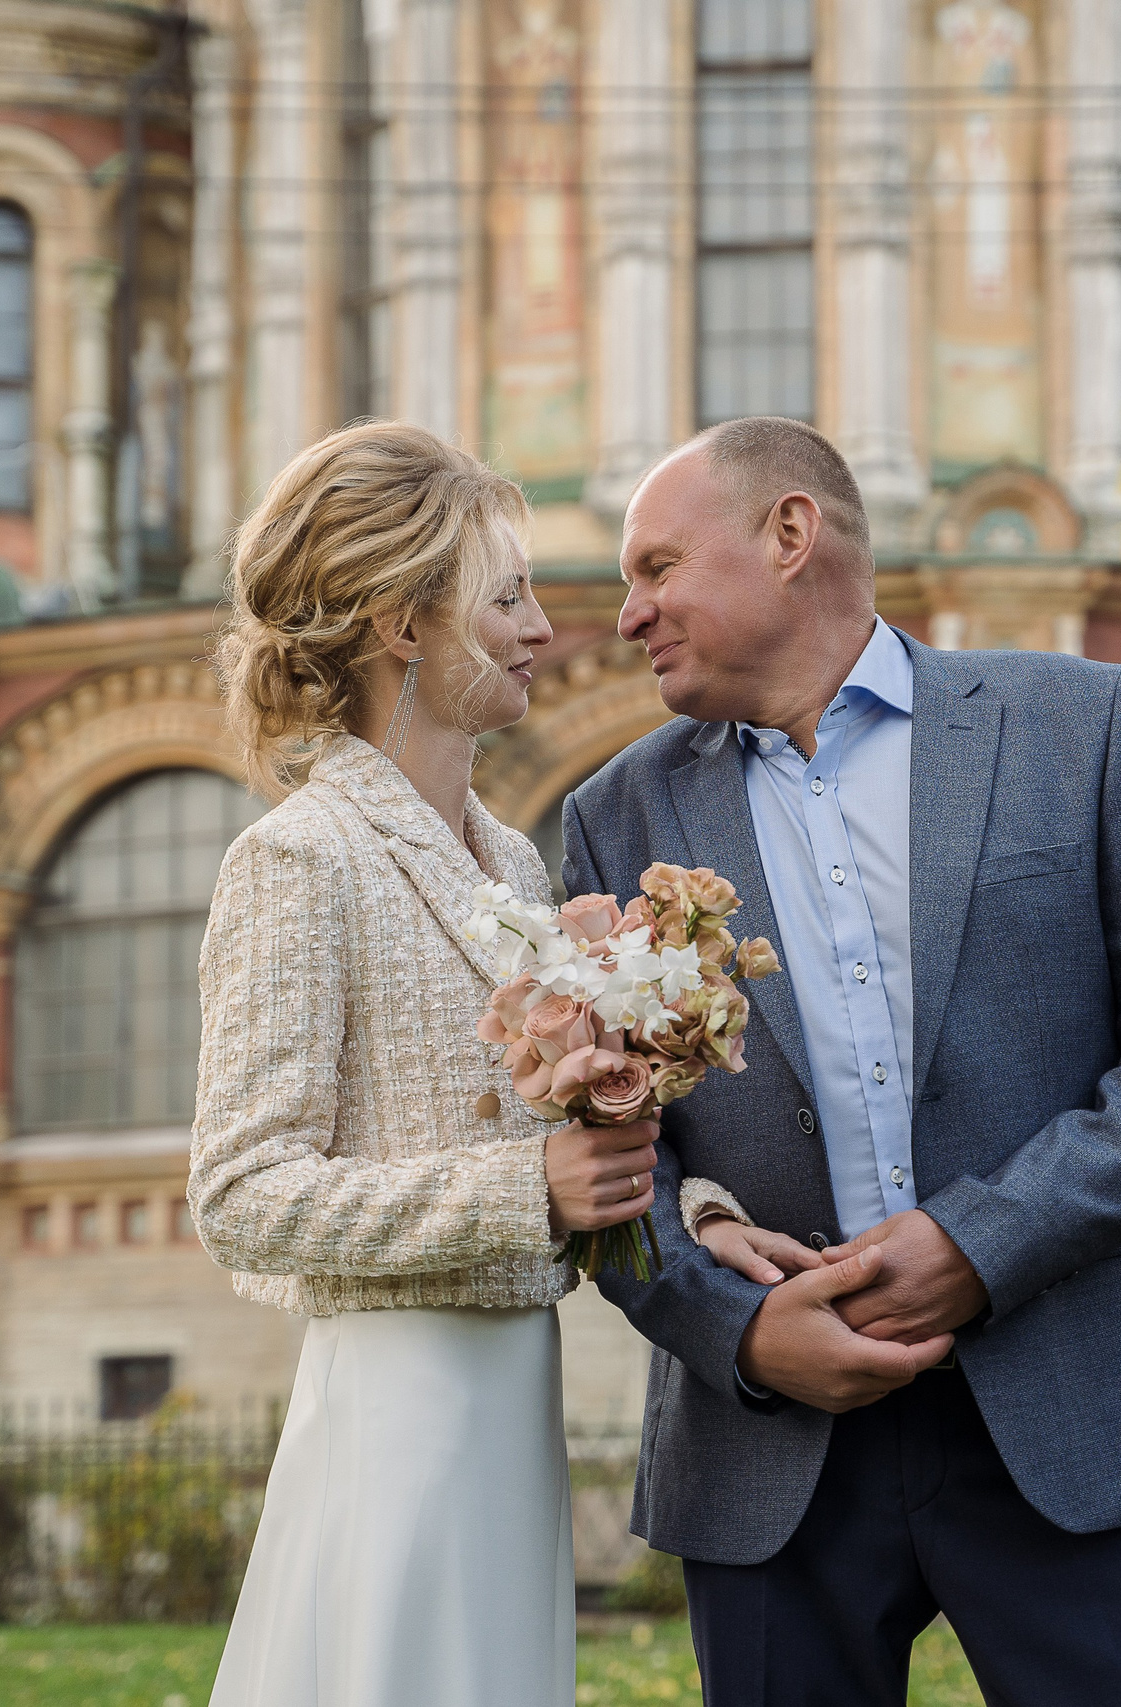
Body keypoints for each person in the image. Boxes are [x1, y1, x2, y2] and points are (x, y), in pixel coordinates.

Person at [563, 416, 1121, 1706]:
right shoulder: (615, 815)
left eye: (657, 567)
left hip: (1078, 1410)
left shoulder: (1081, 723)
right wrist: (740, 1329)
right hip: (770, 1452)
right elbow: (604, 1148)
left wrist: (980, 1245)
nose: (629, 614)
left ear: (790, 535)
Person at [186, 421, 662, 1707]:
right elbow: (241, 1192)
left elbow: (561, 1145)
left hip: (512, 1395)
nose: (540, 630)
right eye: (505, 596)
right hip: (393, 1408)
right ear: (405, 626)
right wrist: (530, 1195)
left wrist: (669, 1193)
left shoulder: (513, 865)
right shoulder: (298, 859)